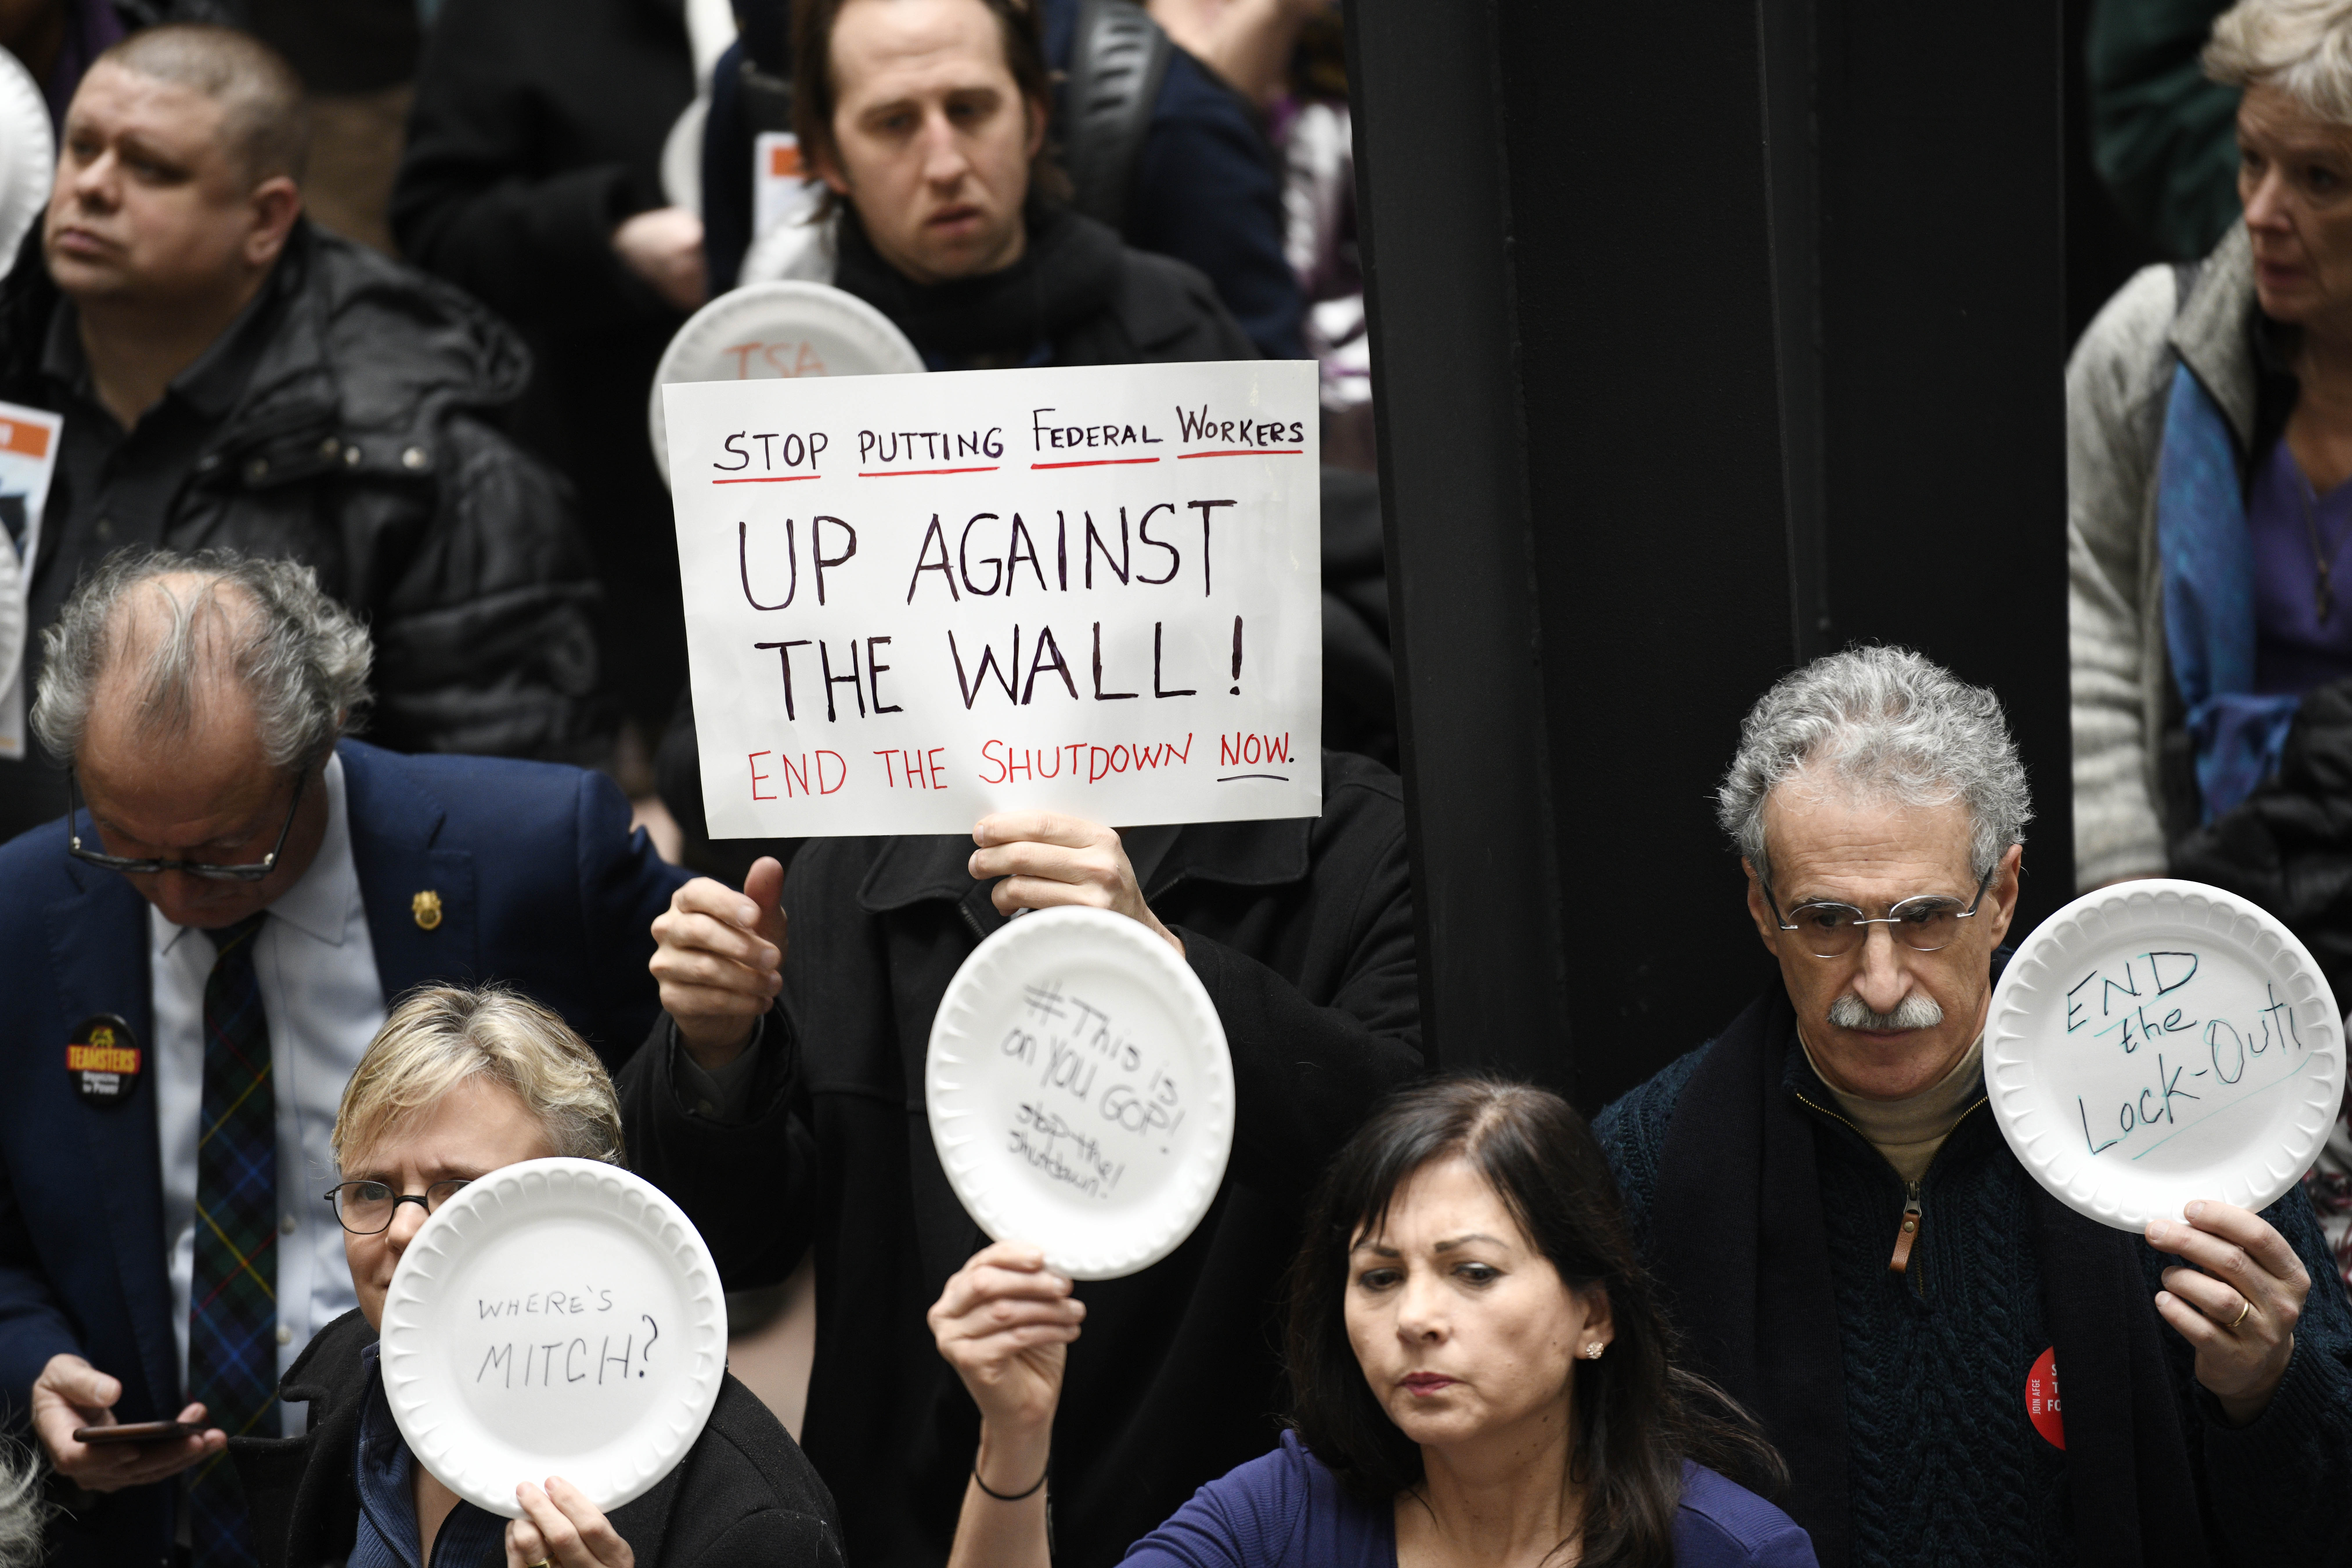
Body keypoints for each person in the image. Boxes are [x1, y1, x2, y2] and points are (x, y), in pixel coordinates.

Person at [0, 550, 686, 1568]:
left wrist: (725, 1036)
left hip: (488, 1516)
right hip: (149, 1530)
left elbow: (720, 1154)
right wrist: (31, 1360)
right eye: (131, 847)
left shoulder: (542, 852)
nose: (178, 895)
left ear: (319, 741)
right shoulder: (21, 908)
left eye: (226, 851)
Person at [1596, 646, 2352, 1566]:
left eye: (1924, 918)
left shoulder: (2189, 1119)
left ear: (2001, 896)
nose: (1879, 985)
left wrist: (2268, 1389)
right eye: (1827, 922)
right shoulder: (1647, 1160)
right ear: (1762, 909)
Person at [621, 757, 1419, 1566]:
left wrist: (1170, 976)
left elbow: (1424, 1174)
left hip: (1235, 1521)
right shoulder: (855, 853)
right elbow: (734, 1244)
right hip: (910, 1521)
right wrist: (717, 1055)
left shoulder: (1366, 844)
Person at [0, 23, 605, 842]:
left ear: (266, 219)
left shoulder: (420, 442)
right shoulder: (14, 352)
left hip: (285, 938)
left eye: (151, 169)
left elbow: (506, 804)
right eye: (83, 148)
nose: (93, 187)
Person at [930, 1076, 1816, 1568]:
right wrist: (1016, 1432)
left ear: (1594, 1314)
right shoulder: (1280, 1517)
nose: (1417, 1318)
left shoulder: (1734, 1552)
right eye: (1380, 1277)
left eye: (1473, 1272)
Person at [228, 984, 848, 1568]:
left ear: (586, 1210)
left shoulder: (751, 1515)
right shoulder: (348, 1384)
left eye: (461, 1191)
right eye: (371, 1190)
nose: (404, 1231)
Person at [392, 0, 704, 768]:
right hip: (608, 479)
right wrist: (611, 241)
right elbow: (437, 224)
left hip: (845, 444)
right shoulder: (515, 19)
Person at [698, 0, 1305, 361]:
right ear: (825, 156)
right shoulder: (774, 359)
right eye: (893, 123)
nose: (945, 167)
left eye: (969, 110)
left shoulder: (1177, 322)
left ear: (1033, 117)